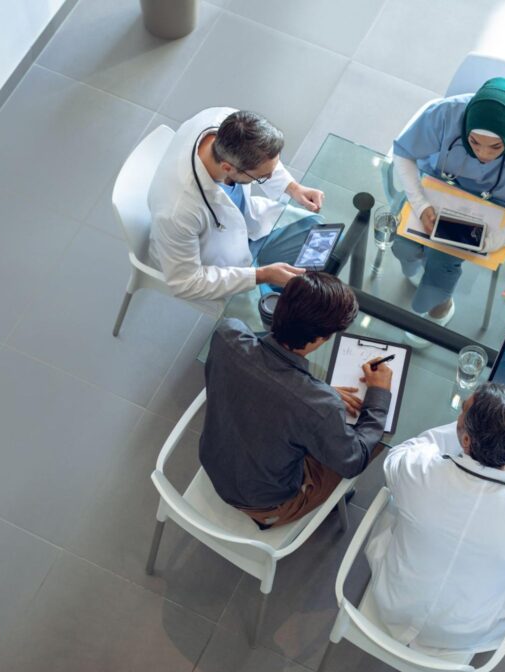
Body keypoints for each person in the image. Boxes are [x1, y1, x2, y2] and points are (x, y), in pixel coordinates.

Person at [365, 383, 505, 653]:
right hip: (464, 636)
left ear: (465, 440)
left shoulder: (418, 472)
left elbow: (405, 452)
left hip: (392, 607)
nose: (458, 418)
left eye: (462, 412)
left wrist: (471, 430)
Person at [201, 272, 393, 528]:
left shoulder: (228, 333)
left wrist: (312, 393)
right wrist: (378, 394)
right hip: (266, 502)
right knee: (374, 441)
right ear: (318, 339)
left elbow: (264, 375)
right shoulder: (319, 407)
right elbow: (354, 460)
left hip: (214, 459)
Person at [390, 78, 505, 347]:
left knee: (442, 262)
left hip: (494, 217)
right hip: (436, 194)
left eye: (496, 147)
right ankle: (424, 270)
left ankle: (439, 306)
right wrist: (421, 204)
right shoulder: (445, 114)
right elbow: (403, 153)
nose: (483, 155)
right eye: (474, 143)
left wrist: (494, 241)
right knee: (401, 245)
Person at [148, 107, 326, 303]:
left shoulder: (229, 122)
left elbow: (265, 160)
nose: (270, 177)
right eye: (261, 177)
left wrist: (293, 188)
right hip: (220, 265)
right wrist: (261, 275)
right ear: (227, 168)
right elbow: (185, 283)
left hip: (248, 224)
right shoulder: (178, 211)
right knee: (276, 316)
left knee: (324, 240)